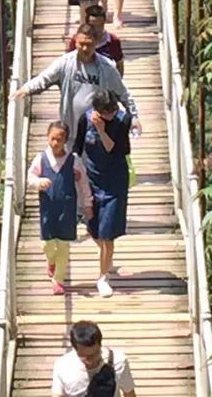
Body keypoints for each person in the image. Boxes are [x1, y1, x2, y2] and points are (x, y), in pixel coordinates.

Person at [14, 24, 140, 152]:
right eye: (81, 44)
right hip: (70, 130)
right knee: (72, 165)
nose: (85, 48)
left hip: (96, 131)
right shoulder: (65, 63)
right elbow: (44, 78)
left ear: (96, 43)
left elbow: (123, 94)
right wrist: (26, 89)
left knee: (92, 166)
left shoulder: (107, 67)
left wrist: (134, 117)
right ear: (75, 42)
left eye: (89, 44)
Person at [27, 120, 94, 295]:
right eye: (52, 139)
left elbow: (84, 183)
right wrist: (38, 182)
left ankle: (58, 280)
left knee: (64, 245)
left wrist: (87, 204)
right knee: (47, 244)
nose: (55, 143)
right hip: (48, 209)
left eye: (59, 139)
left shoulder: (73, 161)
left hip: (67, 209)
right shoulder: (41, 159)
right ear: (47, 138)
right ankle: (51, 260)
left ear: (66, 141)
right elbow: (30, 177)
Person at [82, 90, 132, 297]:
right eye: (106, 110)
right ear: (96, 110)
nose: (111, 113)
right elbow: (77, 145)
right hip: (92, 178)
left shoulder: (122, 120)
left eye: (113, 109)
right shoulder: (85, 118)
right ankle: (108, 260)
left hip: (115, 182)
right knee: (93, 228)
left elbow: (115, 148)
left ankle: (103, 276)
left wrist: (101, 130)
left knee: (107, 233)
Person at [51, 321, 136, 397]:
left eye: (95, 354)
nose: (91, 361)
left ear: (100, 345)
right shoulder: (62, 366)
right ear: (75, 349)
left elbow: (129, 393)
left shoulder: (118, 361)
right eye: (85, 357)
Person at [68, 2, 124, 74]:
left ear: (104, 22)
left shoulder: (113, 41)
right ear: (87, 23)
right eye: (93, 26)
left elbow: (119, 64)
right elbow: (69, 62)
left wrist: (117, 82)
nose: (97, 30)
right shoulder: (77, 40)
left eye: (100, 25)